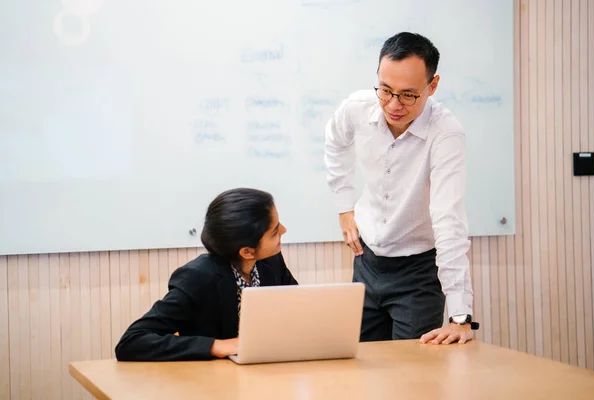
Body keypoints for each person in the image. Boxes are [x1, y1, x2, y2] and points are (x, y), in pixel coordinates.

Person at [324, 32, 478, 345]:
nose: (394, 105)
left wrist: (460, 317)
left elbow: (448, 219)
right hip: (366, 260)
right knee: (363, 367)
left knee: (412, 374)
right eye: (386, 90)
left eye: (408, 95)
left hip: (418, 273)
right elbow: (335, 143)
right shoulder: (357, 108)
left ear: (432, 86)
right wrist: (344, 208)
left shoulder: (446, 134)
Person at [115, 188, 297, 361]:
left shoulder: (270, 261)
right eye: (275, 231)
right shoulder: (197, 277)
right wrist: (215, 346)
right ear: (247, 252)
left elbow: (297, 309)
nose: (284, 230)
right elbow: (132, 342)